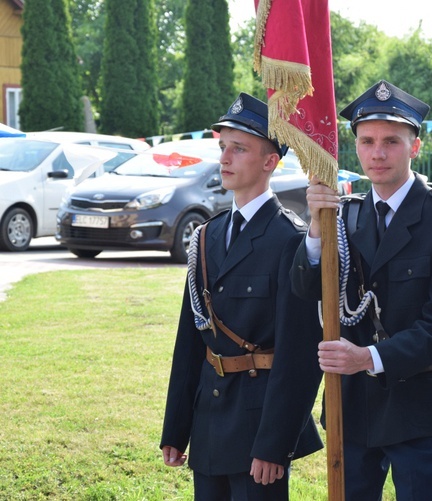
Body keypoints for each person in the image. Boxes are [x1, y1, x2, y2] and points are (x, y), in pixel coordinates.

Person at [290, 80, 432, 500]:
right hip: (351, 406)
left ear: (416, 146)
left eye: (391, 141)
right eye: (367, 141)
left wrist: (367, 358)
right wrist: (316, 232)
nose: (377, 153)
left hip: (416, 403)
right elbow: (304, 289)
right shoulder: (345, 214)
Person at [160, 93, 323, 501]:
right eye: (222, 147)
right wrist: (177, 428)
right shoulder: (208, 235)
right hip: (210, 421)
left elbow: (298, 355)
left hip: (258, 427)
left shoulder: (289, 239)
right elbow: (190, 340)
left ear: (270, 161)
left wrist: (275, 443)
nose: (225, 158)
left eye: (239, 148)